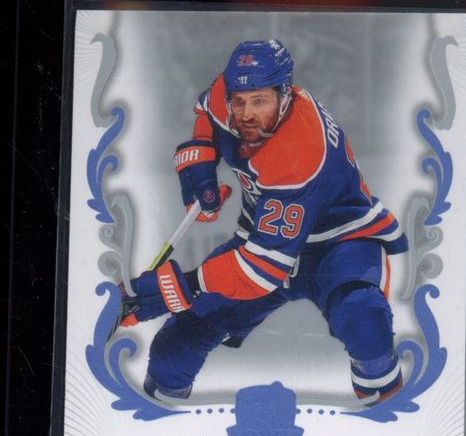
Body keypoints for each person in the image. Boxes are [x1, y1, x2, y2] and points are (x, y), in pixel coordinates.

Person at [121, 39, 408, 406]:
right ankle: (161, 418)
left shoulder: (299, 151)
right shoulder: (228, 92)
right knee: (172, 353)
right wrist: (202, 160)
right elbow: (207, 111)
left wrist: (180, 285)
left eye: (259, 101)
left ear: (285, 95)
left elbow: (260, 271)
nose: (246, 114)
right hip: (262, 238)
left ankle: (386, 407)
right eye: (239, 101)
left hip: (338, 243)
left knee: (365, 324)